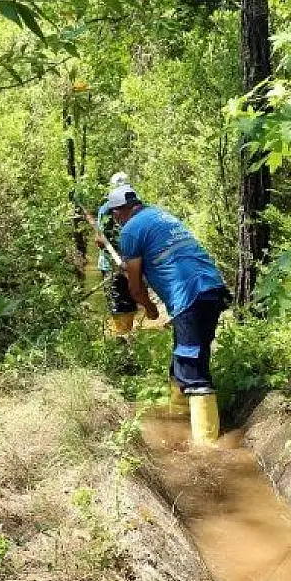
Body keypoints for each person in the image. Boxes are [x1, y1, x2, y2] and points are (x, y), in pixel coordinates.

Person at [107, 184, 231, 445]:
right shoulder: (162, 215)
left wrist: (151, 310)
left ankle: (206, 448)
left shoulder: (130, 230)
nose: (114, 220)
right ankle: (177, 418)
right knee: (181, 361)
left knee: (193, 370)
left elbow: (136, 287)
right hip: (213, 289)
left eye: (114, 214)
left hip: (189, 296)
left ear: (120, 211)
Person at [95, 172, 138, 336]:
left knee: (128, 303)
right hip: (112, 265)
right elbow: (100, 240)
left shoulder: (136, 207)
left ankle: (126, 341)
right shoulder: (106, 210)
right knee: (119, 305)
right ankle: (123, 341)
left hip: (130, 264)